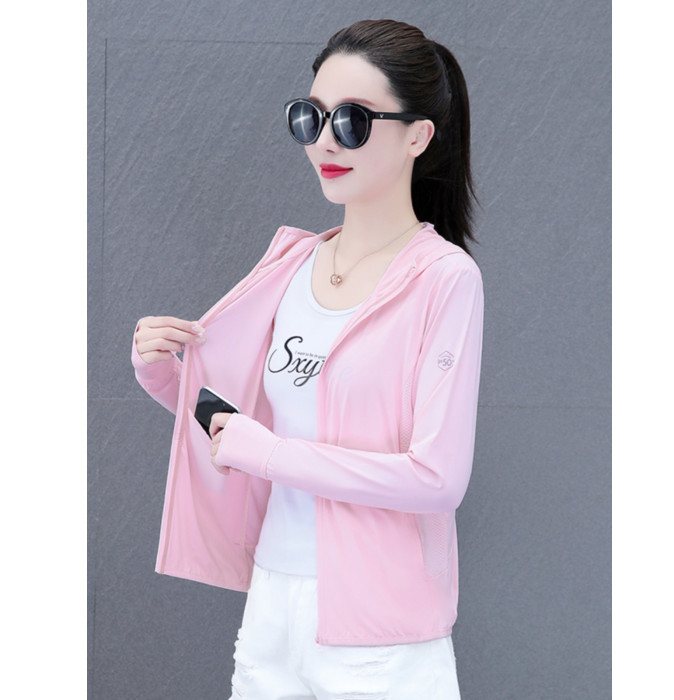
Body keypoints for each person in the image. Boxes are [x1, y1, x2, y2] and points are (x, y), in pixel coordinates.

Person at [132, 18, 484, 700]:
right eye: (310, 116)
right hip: (273, 604)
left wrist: (269, 455)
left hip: (379, 633)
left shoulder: (443, 279)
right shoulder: (293, 264)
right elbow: (248, 424)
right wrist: (167, 376)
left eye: (352, 120)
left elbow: (437, 479)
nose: (324, 140)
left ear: (417, 136)